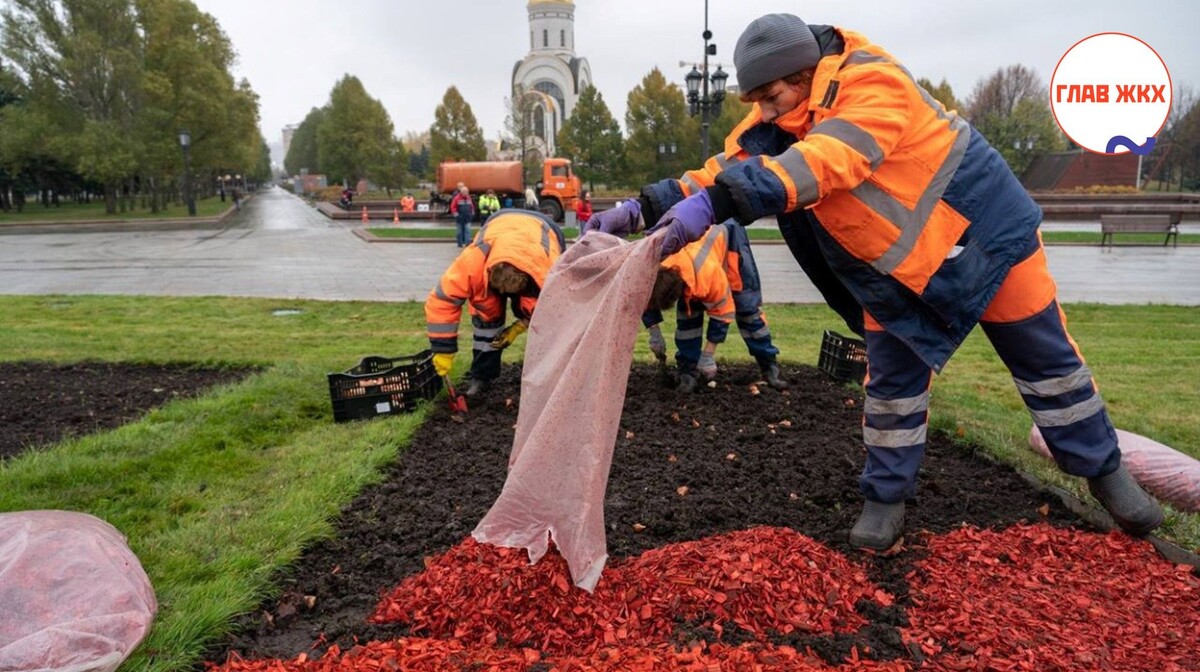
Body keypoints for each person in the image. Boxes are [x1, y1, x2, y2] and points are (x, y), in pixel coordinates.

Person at [586, 13, 1163, 551]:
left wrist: (716, 204)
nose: (761, 111)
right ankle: (885, 499)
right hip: (900, 275)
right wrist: (639, 209)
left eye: (770, 96)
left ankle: (1105, 475)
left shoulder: (873, 82)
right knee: (891, 389)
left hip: (988, 239)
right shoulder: (779, 119)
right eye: (756, 101)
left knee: (1048, 365)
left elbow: (829, 160)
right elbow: (722, 169)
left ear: (805, 75)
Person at [425, 210, 565, 396]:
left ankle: (546, 381)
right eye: (499, 290)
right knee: (486, 322)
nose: (502, 295)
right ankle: (482, 377)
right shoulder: (473, 262)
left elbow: (556, 312)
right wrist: (442, 348)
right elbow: (442, 301)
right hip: (498, 224)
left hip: (545, 229)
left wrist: (518, 327)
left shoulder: (548, 273)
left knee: (547, 329)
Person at [644, 221, 787, 392]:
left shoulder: (708, 275)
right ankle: (687, 372)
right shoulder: (654, 267)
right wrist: (654, 332)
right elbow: (645, 298)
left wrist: (708, 355)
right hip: (694, 256)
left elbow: (723, 313)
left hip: (731, 243)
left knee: (747, 308)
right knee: (688, 314)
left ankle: (769, 366)